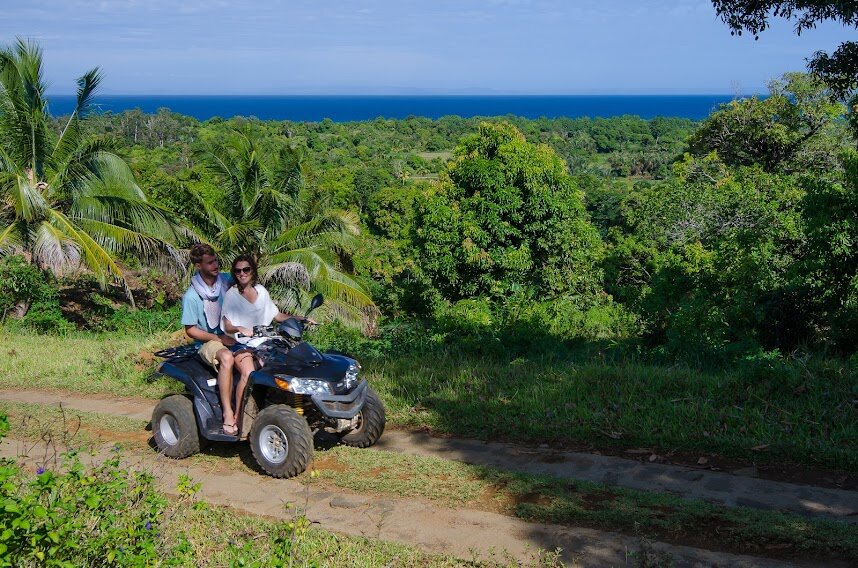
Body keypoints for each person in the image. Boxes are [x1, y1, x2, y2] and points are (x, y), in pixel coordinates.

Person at [222, 255, 314, 422]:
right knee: (248, 373)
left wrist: (300, 319)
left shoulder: (262, 291)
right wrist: (239, 328)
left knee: (292, 365)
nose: (242, 273)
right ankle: (238, 417)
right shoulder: (231, 295)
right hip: (242, 345)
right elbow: (227, 325)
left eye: (246, 269)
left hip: (266, 343)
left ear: (253, 271)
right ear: (234, 274)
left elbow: (277, 315)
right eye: (238, 271)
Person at [180, 243, 240, 435]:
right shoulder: (192, 296)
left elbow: (244, 280)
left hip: (230, 333)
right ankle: (228, 413)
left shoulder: (224, 281)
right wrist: (218, 339)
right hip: (207, 341)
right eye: (209, 262)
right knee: (227, 358)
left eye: (215, 260)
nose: (215, 265)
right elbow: (191, 330)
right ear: (199, 266)